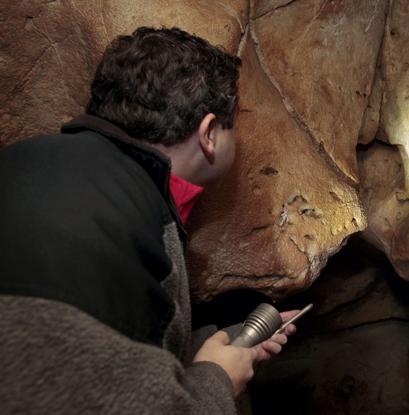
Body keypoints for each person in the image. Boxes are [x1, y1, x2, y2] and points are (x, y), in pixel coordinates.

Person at [0, 27, 297, 414]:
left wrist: (222, 343)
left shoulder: (25, 161)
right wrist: (216, 380)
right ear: (209, 134)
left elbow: (110, 343)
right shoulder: (142, 217)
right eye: (234, 126)